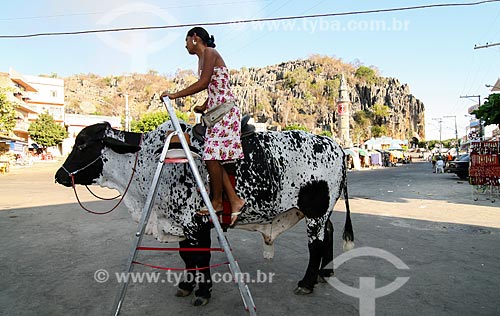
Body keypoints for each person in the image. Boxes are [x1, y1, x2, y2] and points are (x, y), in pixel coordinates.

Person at [161, 27, 246, 225]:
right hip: (218, 112)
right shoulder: (203, 58)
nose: (185, 45)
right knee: (213, 158)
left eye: (186, 40)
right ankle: (234, 200)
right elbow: (217, 87)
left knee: (210, 155)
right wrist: (205, 105)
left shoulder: (209, 53)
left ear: (195, 38)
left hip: (225, 114)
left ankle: (217, 201)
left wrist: (174, 95)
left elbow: (204, 82)